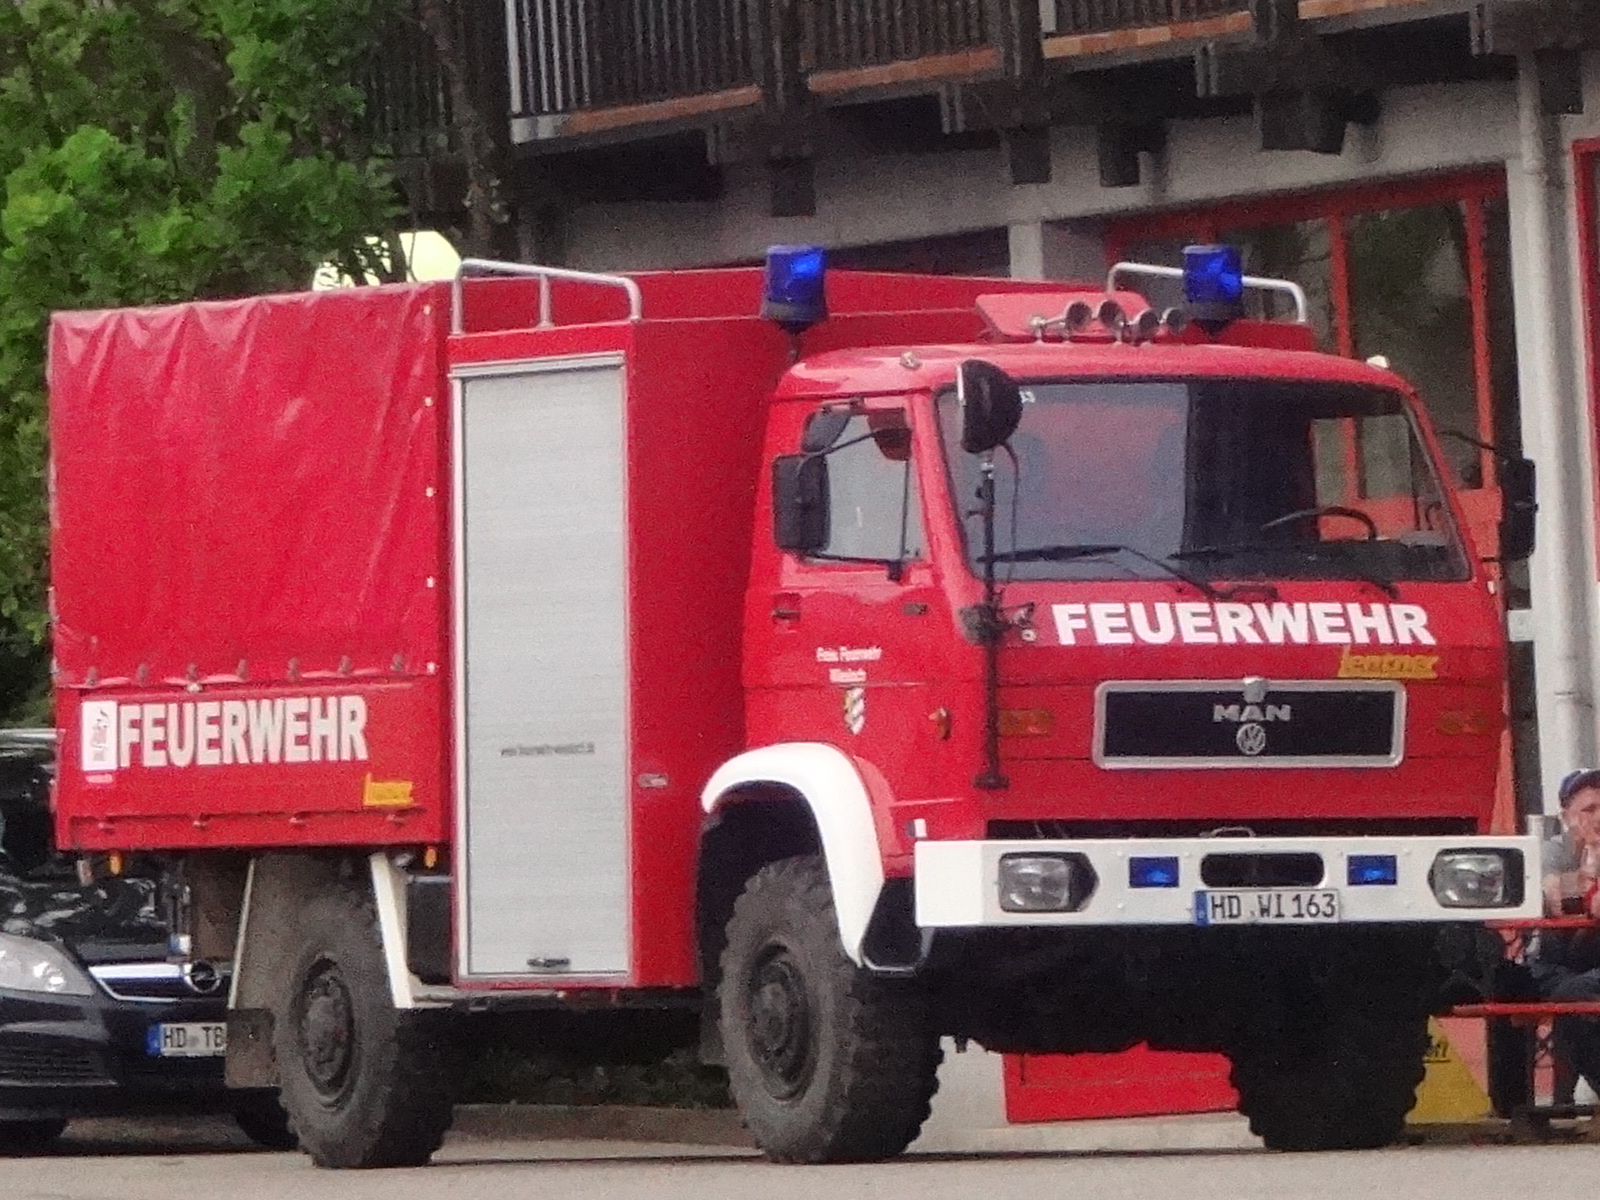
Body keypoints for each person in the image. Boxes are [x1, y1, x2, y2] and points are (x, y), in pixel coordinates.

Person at [1530, 768, 1600, 1096]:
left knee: (1576, 997)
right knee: (1569, 993)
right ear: (1566, 816)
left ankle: (1562, 1101)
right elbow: (1557, 900)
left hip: (1590, 967)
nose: (1599, 817)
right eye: (1589, 809)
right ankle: (1519, 1101)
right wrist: (1587, 874)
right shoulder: (1552, 851)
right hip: (1555, 961)